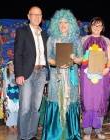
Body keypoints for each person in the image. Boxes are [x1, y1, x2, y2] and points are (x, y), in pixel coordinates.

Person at [41, 9, 83, 140]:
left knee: (71, 101)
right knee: (56, 101)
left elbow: (80, 59)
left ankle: (72, 134)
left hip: (71, 77)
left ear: (70, 24)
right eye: (60, 23)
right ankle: (55, 134)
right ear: (56, 25)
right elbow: (49, 59)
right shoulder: (52, 39)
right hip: (56, 76)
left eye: (66, 22)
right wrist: (58, 64)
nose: (63, 25)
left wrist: (74, 58)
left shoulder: (76, 39)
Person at [14, 6, 49, 140]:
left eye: (39, 15)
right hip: (27, 73)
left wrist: (47, 74)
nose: (36, 17)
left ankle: (31, 134)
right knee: (25, 107)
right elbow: (17, 54)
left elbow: (45, 55)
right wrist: (19, 74)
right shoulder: (22, 32)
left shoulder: (44, 34)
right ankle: (22, 136)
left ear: (41, 17)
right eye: (34, 14)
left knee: (36, 107)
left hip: (41, 73)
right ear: (28, 16)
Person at [80, 17, 110, 140]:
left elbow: (109, 58)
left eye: (99, 25)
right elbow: (79, 56)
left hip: (101, 75)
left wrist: (107, 69)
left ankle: (99, 131)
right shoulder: (84, 39)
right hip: (86, 75)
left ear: (102, 27)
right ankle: (87, 132)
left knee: (100, 101)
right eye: (94, 24)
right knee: (88, 101)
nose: (97, 27)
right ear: (90, 26)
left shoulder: (106, 40)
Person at [2, 60, 19, 131]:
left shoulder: (17, 74)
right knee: (10, 109)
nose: (13, 66)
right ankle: (9, 125)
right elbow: (4, 86)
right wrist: (4, 96)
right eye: (11, 65)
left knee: (17, 108)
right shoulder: (5, 75)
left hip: (16, 94)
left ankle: (15, 124)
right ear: (8, 67)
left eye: (13, 64)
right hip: (9, 94)